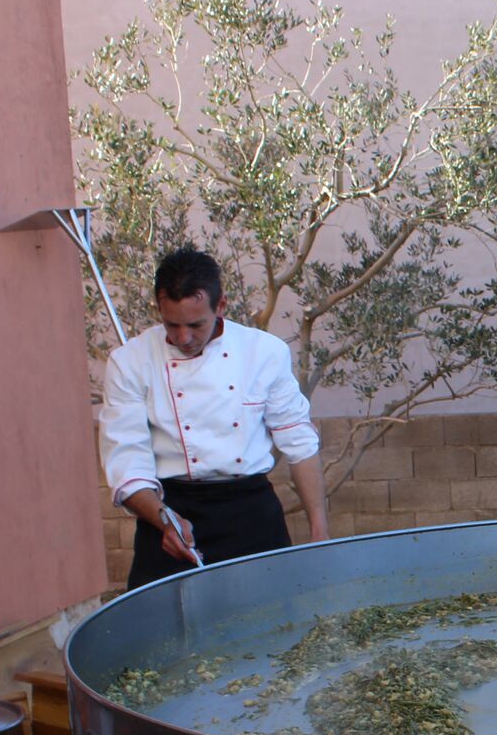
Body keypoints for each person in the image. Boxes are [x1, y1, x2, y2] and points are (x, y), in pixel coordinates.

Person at [99, 247, 328, 589]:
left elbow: (299, 442)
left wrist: (319, 531)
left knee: (273, 631)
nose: (183, 338)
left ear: (221, 306)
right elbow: (127, 463)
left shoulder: (263, 352)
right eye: (171, 325)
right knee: (158, 633)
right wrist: (165, 521)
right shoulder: (129, 362)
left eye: (195, 324)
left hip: (250, 514)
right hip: (169, 514)